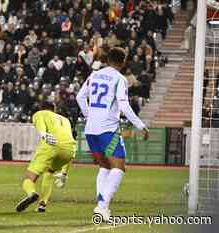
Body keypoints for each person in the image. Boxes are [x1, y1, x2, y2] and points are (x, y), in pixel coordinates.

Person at [76, 47, 149, 221]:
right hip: (107, 129)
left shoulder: (94, 75)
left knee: (104, 166)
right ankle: (101, 207)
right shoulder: (119, 79)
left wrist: (89, 115)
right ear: (123, 62)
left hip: (91, 129)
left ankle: (102, 206)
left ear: (108, 60)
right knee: (118, 167)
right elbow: (124, 106)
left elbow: (80, 97)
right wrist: (140, 125)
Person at [15, 101, 77, 213]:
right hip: (69, 150)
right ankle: (42, 204)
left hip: (51, 145)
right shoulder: (65, 120)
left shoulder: (40, 113)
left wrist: (44, 134)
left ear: (41, 108)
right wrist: (64, 173)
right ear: (54, 109)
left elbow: (40, 125)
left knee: (29, 178)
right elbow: (70, 139)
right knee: (49, 172)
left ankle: (32, 194)